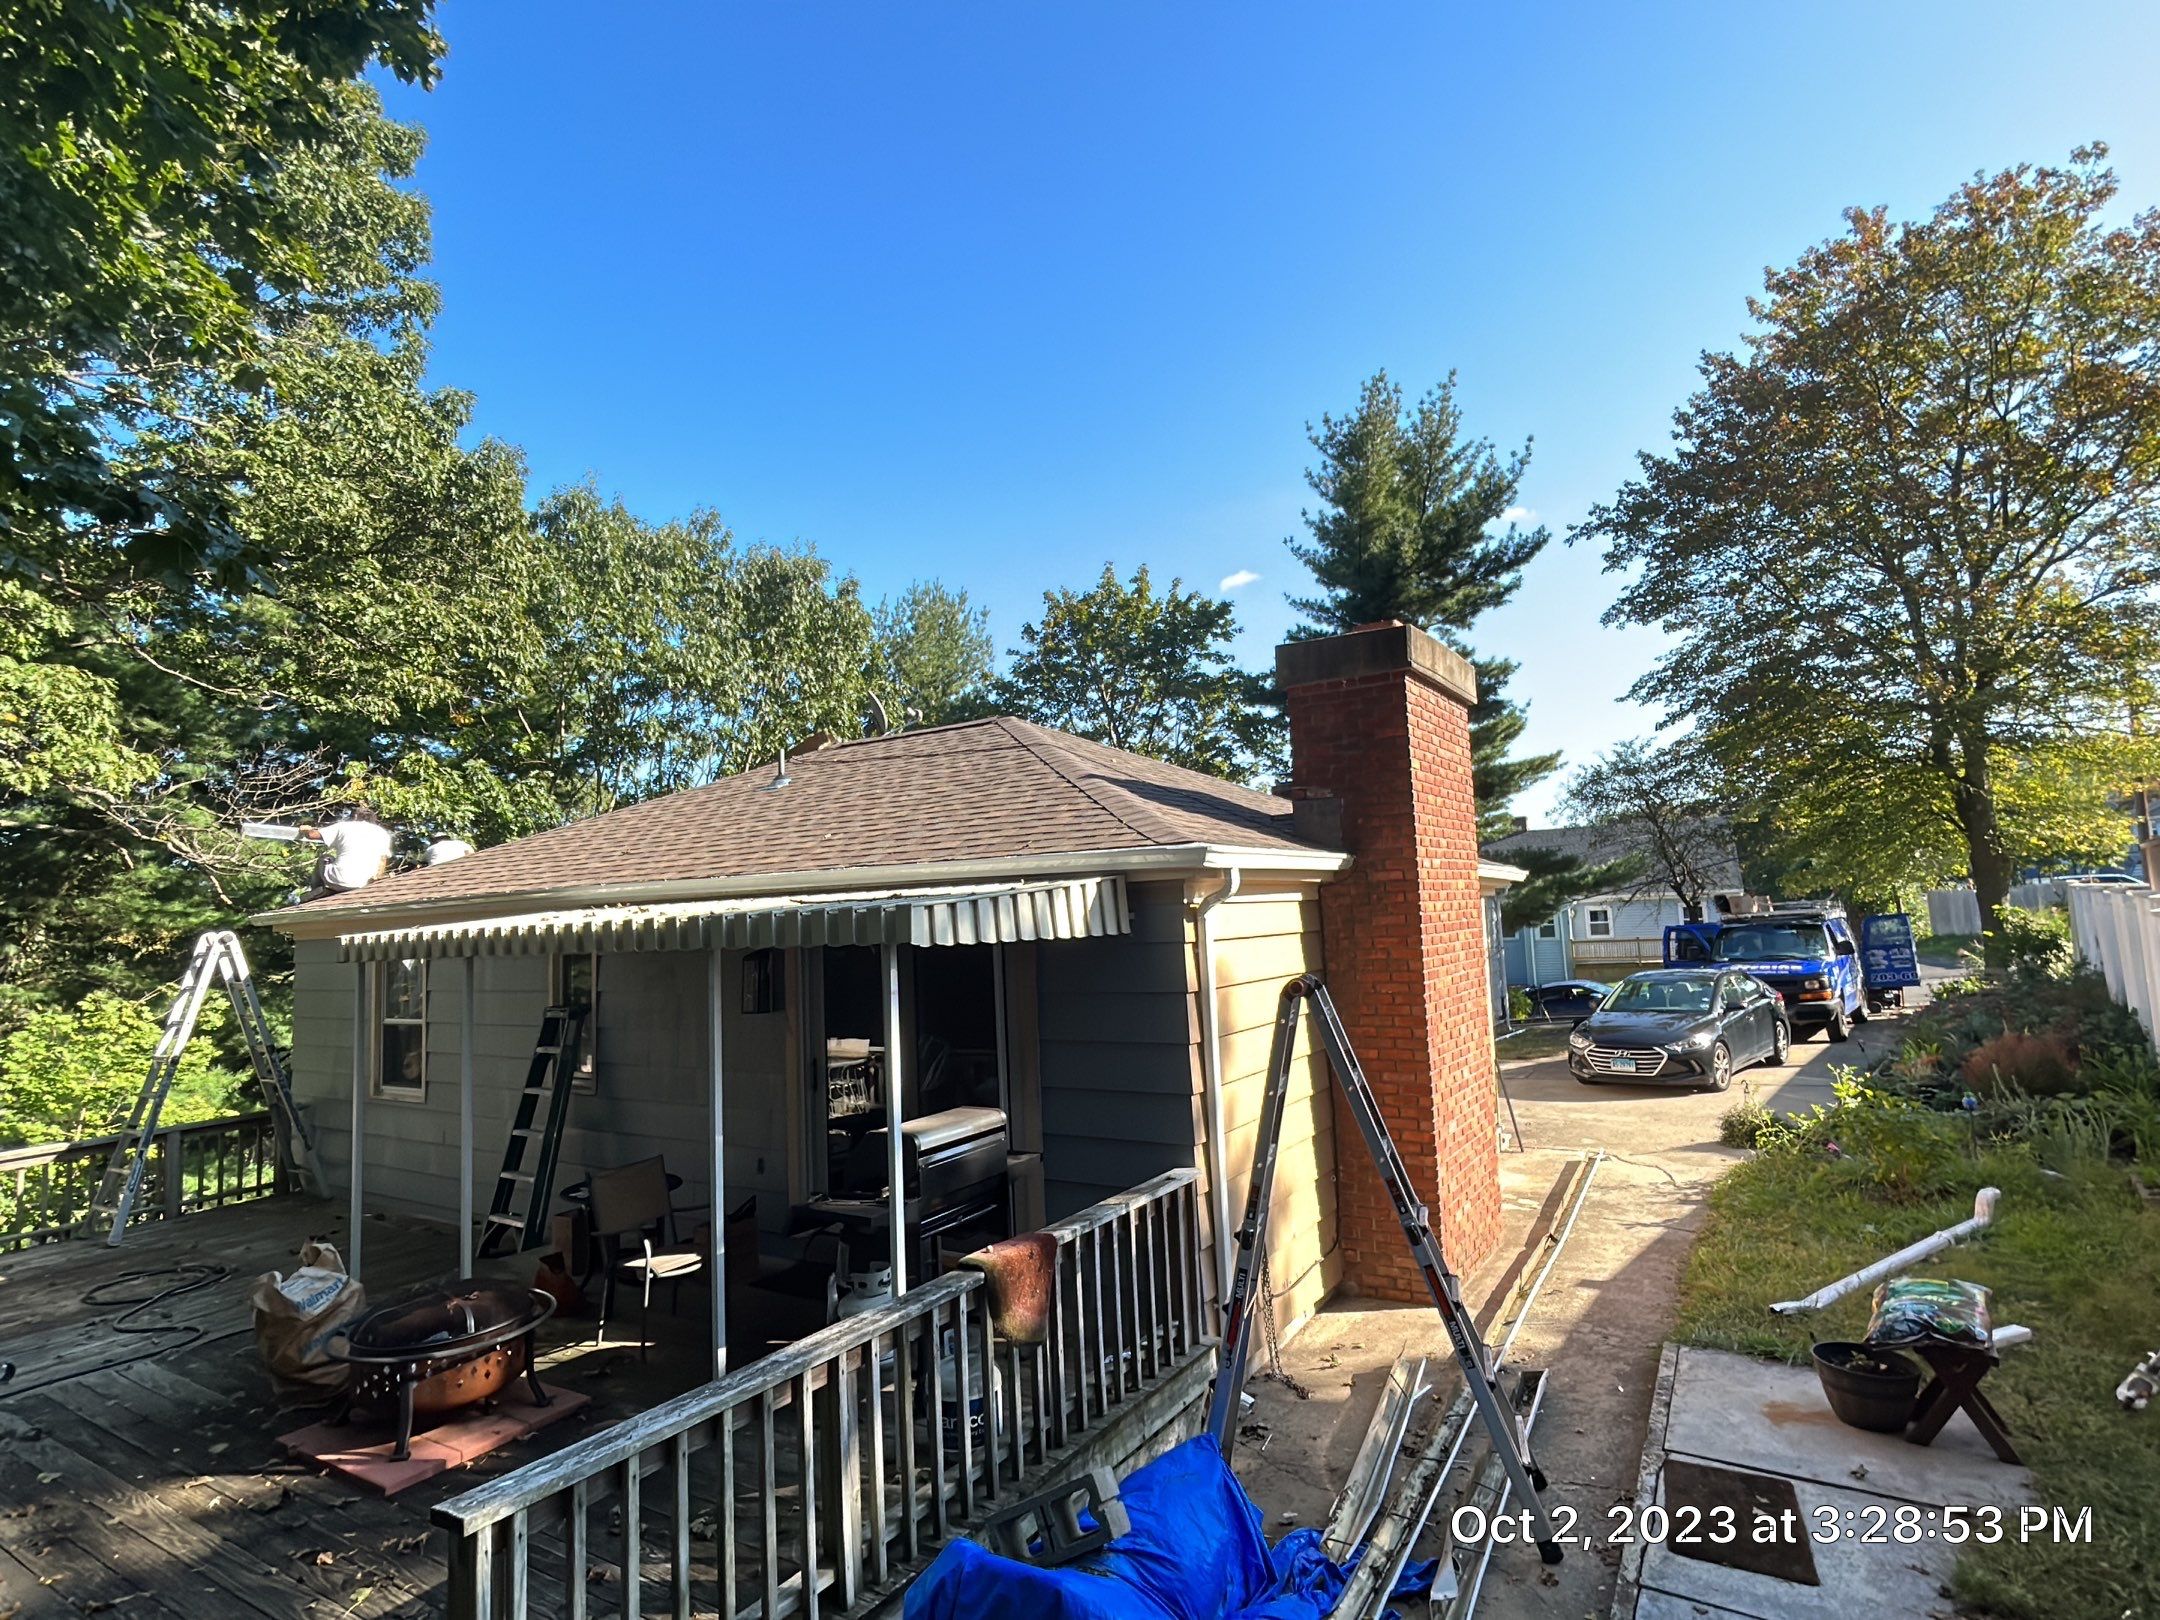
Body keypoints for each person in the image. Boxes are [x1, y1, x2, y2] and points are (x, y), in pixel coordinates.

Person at [298, 807, 395, 897]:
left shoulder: (344, 826)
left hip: (339, 880)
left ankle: (317, 890)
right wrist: (377, 878)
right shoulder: (382, 833)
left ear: (356, 816)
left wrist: (307, 830)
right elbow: (382, 860)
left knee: (325, 858)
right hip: (364, 883)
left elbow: (312, 835)